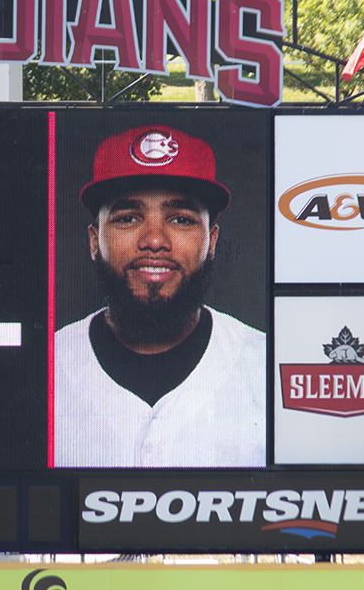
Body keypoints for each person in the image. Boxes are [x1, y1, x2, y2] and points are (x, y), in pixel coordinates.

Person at [54, 124, 266, 468]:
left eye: (181, 219)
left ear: (211, 241)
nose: (154, 240)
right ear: (94, 240)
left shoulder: (266, 368)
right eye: (127, 218)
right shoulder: (46, 367)